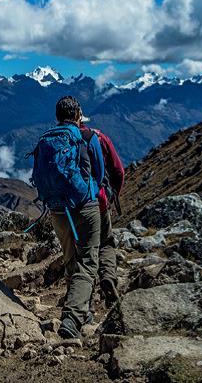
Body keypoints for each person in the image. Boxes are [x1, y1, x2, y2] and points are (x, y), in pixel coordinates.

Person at [32, 96, 105, 340]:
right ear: (78, 115)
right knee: (88, 261)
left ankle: (84, 311)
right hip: (85, 206)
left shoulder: (47, 139)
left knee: (71, 259)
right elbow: (100, 172)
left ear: (57, 116)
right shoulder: (87, 137)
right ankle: (72, 318)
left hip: (57, 210)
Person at [79, 122, 124, 306]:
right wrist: (113, 195)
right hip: (99, 201)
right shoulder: (99, 137)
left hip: (71, 206)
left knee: (82, 254)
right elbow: (118, 171)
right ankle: (108, 276)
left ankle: (84, 304)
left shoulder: (61, 139)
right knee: (106, 243)